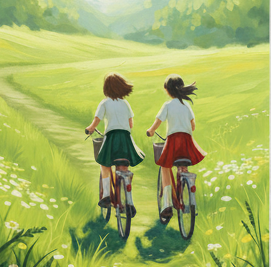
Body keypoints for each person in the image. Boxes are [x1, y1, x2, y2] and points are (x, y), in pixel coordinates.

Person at [146, 74, 206, 220]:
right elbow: (193, 125)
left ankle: (167, 204)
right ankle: (187, 192)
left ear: (168, 90)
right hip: (187, 142)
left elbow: (158, 122)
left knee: (165, 166)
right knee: (183, 164)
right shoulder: (186, 105)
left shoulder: (167, 105)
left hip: (173, 141)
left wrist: (151, 131)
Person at [85, 73, 144, 214]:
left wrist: (90, 129)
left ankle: (106, 195)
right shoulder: (125, 103)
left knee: (105, 165)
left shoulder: (104, 103)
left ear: (106, 88)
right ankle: (128, 201)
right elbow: (130, 123)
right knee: (123, 168)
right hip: (125, 139)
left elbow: (96, 121)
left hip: (111, 138)